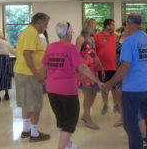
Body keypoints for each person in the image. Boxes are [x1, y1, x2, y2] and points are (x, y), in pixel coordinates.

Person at [41, 21, 103, 149]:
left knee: (63, 120)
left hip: (52, 90)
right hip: (67, 91)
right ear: (68, 33)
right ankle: (62, 147)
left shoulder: (50, 47)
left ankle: (68, 144)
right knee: (70, 122)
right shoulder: (71, 48)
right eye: (72, 31)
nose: (73, 33)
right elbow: (83, 68)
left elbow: (42, 67)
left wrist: (45, 81)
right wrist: (98, 81)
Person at [103, 12, 147, 149]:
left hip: (133, 90)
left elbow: (124, 67)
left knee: (130, 123)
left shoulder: (129, 41)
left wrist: (109, 83)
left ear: (128, 24)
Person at [14, 12, 50, 142]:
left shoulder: (26, 32)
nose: (45, 27)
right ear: (39, 23)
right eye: (45, 24)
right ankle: (34, 134)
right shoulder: (31, 33)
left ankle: (25, 130)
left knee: (26, 103)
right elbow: (27, 54)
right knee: (35, 105)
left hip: (21, 72)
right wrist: (37, 74)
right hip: (29, 74)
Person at [75, 18, 105, 130]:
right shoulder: (80, 39)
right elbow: (76, 56)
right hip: (84, 71)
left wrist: (101, 67)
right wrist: (80, 73)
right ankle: (88, 118)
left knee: (94, 93)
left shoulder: (92, 39)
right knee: (87, 95)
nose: (95, 29)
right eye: (94, 26)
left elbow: (95, 55)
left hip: (93, 70)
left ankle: (85, 115)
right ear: (88, 27)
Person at [94, 19, 118, 115]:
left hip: (114, 67)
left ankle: (116, 105)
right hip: (102, 68)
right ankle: (105, 104)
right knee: (104, 87)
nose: (114, 27)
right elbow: (93, 52)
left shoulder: (116, 37)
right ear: (107, 26)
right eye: (112, 25)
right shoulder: (97, 37)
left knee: (115, 88)